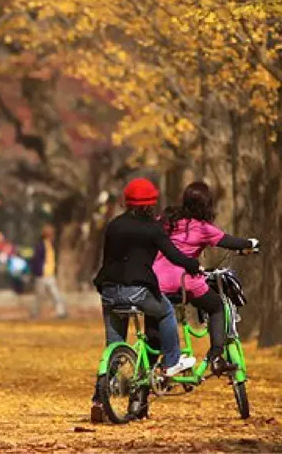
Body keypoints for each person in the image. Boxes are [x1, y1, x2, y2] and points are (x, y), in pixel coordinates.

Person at [91, 178, 200, 423]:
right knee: (166, 311)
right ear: (151, 203)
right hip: (137, 291)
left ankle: (99, 399)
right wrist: (193, 265)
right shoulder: (152, 228)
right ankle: (172, 362)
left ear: (127, 201)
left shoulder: (114, 225)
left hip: (109, 291)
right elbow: (173, 255)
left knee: (115, 347)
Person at [154, 181, 259, 375]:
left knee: (159, 316)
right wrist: (250, 243)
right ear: (207, 204)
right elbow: (229, 241)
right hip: (184, 281)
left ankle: (152, 372)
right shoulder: (203, 228)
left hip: (156, 281)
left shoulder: (166, 220)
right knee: (216, 306)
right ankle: (217, 356)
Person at [30, 224, 67, 319]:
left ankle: (61, 312)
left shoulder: (50, 245)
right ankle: (34, 313)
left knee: (55, 295)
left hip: (50, 275)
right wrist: (38, 272)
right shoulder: (41, 246)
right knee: (39, 296)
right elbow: (36, 260)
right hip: (42, 275)